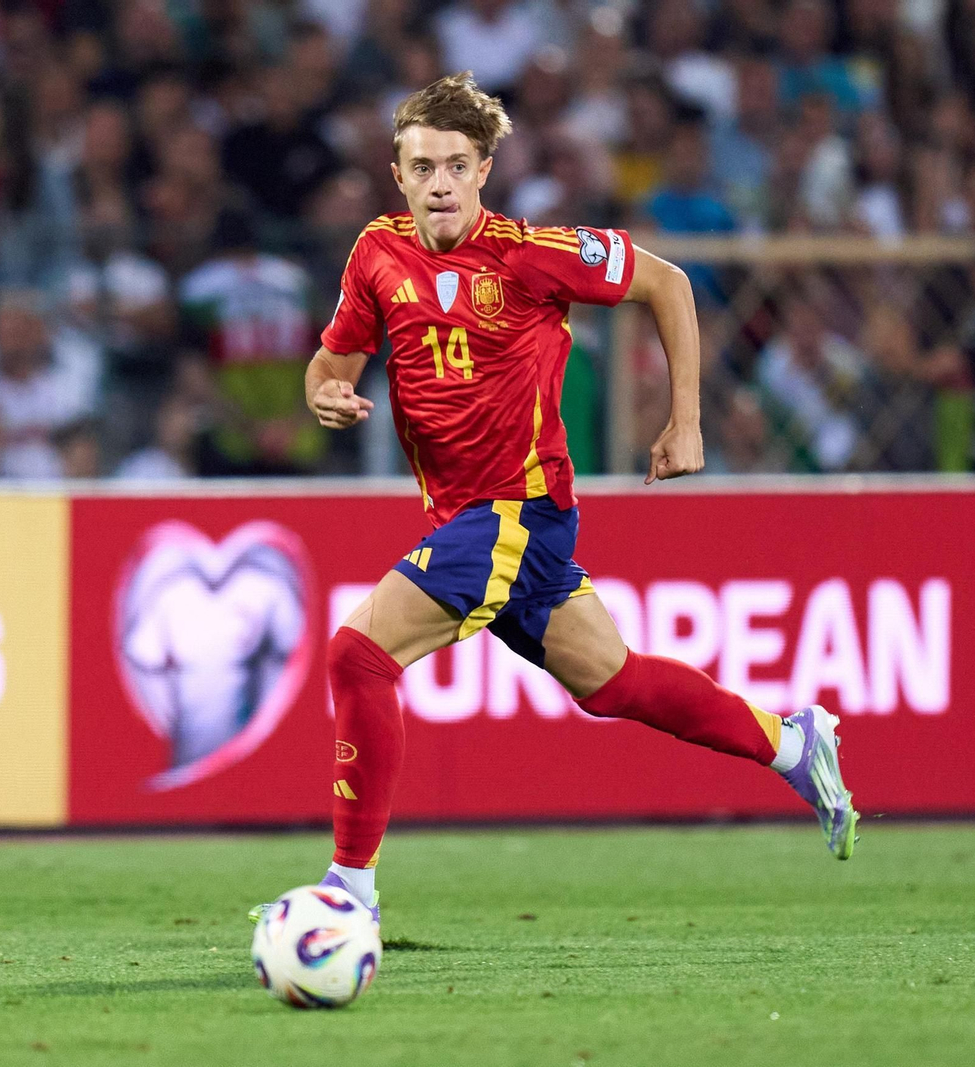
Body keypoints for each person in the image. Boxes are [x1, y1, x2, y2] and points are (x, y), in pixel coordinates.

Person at [252, 74, 858, 926]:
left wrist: (686, 422)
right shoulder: (376, 253)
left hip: (518, 511)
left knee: (358, 655)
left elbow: (670, 285)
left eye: (457, 165)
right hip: (469, 519)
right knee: (613, 682)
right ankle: (796, 742)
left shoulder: (533, 254)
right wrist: (321, 390)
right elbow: (333, 362)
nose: (439, 183)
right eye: (423, 166)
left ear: (485, 169)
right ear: (398, 173)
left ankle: (348, 892)